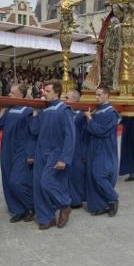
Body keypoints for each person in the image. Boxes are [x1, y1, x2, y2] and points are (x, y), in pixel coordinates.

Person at [29, 81, 75, 230]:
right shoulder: (44, 111)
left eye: (48, 91)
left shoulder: (64, 109)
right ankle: (47, 218)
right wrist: (35, 113)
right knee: (38, 186)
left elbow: (70, 136)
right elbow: (34, 130)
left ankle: (65, 204)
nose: (44, 93)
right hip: (41, 152)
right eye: (44, 91)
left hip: (56, 152)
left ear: (57, 93)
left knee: (46, 182)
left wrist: (64, 158)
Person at [0, 83, 36, 223]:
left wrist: (32, 153)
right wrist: (2, 110)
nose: (10, 95)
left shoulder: (29, 109)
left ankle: (31, 206)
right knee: (7, 179)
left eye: (13, 93)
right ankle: (18, 210)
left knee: (16, 181)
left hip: (22, 149)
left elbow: (34, 132)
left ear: (21, 94)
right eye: (10, 93)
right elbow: (1, 125)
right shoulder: (10, 108)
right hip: (7, 148)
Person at [83, 85, 121, 216]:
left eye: (99, 95)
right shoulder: (97, 110)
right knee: (91, 176)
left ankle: (113, 198)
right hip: (94, 146)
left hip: (105, 147)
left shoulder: (111, 112)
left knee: (98, 174)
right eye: (96, 95)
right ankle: (101, 206)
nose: (96, 97)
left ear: (106, 95)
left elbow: (101, 131)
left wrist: (90, 119)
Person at [65, 90, 87, 208]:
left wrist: (84, 153)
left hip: (79, 149)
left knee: (77, 175)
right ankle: (72, 199)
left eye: (67, 98)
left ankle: (77, 200)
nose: (65, 100)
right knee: (68, 175)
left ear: (74, 100)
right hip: (68, 148)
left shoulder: (82, 114)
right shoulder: (66, 112)